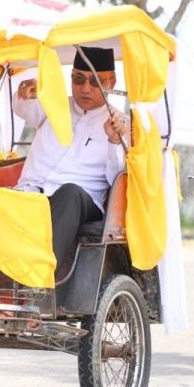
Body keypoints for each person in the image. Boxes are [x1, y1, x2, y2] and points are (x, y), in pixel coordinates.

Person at [13, 46, 129, 279]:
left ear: (111, 82)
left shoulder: (120, 123)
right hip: (30, 194)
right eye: (78, 79)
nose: (85, 89)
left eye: (95, 81)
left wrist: (114, 141)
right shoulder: (54, 105)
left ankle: (41, 281)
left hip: (82, 202)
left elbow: (117, 177)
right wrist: (24, 93)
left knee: (70, 193)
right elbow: (23, 108)